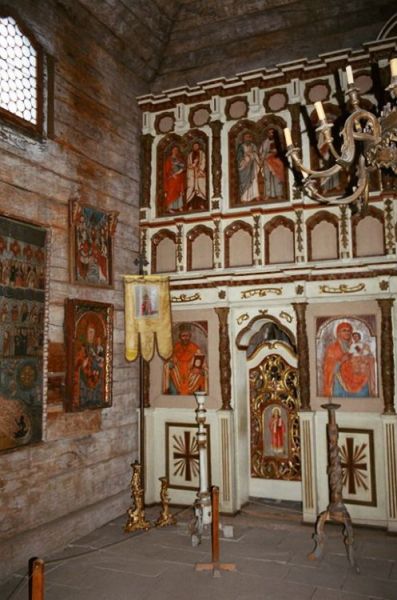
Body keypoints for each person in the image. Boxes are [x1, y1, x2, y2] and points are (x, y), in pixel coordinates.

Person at [322, 322, 375, 397]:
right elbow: (329, 369)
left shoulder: (355, 346)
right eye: (344, 330)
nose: (347, 332)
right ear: (338, 333)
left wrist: (367, 356)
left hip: (359, 377)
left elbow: (365, 355)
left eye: (349, 331)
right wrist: (341, 361)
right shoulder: (333, 348)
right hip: (340, 383)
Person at [163, 324, 207, 395]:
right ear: (180, 337)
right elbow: (169, 360)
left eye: (187, 336)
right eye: (183, 336)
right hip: (177, 375)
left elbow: (201, 364)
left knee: (200, 377)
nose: (185, 338)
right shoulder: (175, 347)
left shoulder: (195, 348)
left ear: (190, 336)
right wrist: (170, 364)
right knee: (170, 372)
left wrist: (199, 369)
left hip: (191, 375)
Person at [260, 128, 285, 199]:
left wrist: (276, 151)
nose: (271, 134)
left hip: (276, 161)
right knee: (267, 178)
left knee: (277, 177)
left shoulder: (279, 142)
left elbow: (282, 151)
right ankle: (267, 194)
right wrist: (263, 157)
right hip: (267, 161)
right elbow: (262, 152)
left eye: (272, 133)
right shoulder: (265, 142)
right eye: (269, 133)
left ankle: (279, 194)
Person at [236, 131, 260, 203]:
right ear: (244, 139)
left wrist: (251, 155)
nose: (248, 139)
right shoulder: (241, 146)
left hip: (253, 165)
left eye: (249, 137)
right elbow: (239, 157)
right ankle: (244, 197)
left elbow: (256, 154)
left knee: (254, 180)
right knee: (244, 182)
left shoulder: (253, 146)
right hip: (244, 166)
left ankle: (255, 195)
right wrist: (245, 159)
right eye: (246, 137)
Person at [163, 145, 186, 213]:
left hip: (178, 178)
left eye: (176, 150)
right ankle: (170, 207)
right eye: (174, 150)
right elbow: (167, 170)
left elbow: (183, 167)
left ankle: (179, 206)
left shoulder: (179, 160)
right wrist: (172, 175)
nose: (175, 151)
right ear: (172, 151)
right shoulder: (169, 159)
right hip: (172, 178)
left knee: (179, 192)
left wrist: (179, 172)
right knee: (171, 192)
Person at [186, 142, 207, 210]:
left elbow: (203, 161)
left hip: (199, 174)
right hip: (192, 174)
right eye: (194, 146)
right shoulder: (190, 155)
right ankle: (190, 205)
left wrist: (200, 169)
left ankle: (201, 204)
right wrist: (193, 165)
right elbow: (188, 164)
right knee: (191, 188)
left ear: (199, 146)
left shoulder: (202, 153)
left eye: (196, 146)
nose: (195, 147)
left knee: (201, 188)